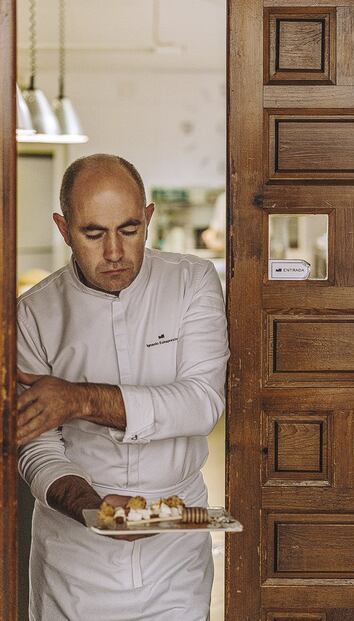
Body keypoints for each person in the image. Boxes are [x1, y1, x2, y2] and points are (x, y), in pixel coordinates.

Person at [17, 153, 229, 621]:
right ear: (63, 227)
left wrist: (78, 398)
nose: (114, 251)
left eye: (130, 230)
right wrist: (93, 510)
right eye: (93, 234)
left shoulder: (192, 282)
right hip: (73, 562)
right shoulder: (34, 313)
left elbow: (202, 403)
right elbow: (36, 448)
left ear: (149, 217)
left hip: (176, 555)